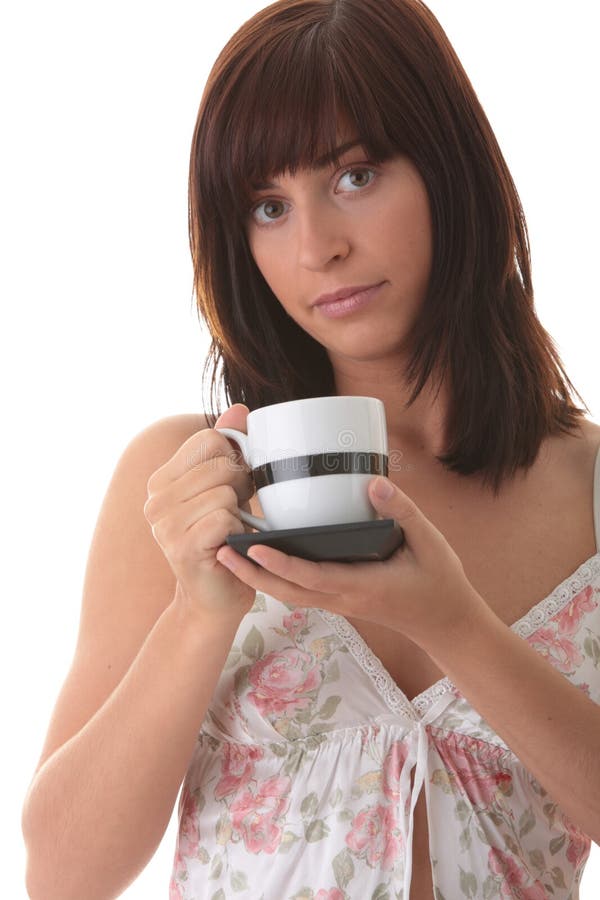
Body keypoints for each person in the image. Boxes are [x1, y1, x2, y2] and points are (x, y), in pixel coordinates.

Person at [21, 0, 600, 897]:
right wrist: (199, 611)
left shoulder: (586, 484)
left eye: (356, 176)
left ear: (450, 168)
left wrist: (456, 626)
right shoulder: (188, 482)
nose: (317, 247)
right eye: (268, 205)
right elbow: (63, 874)